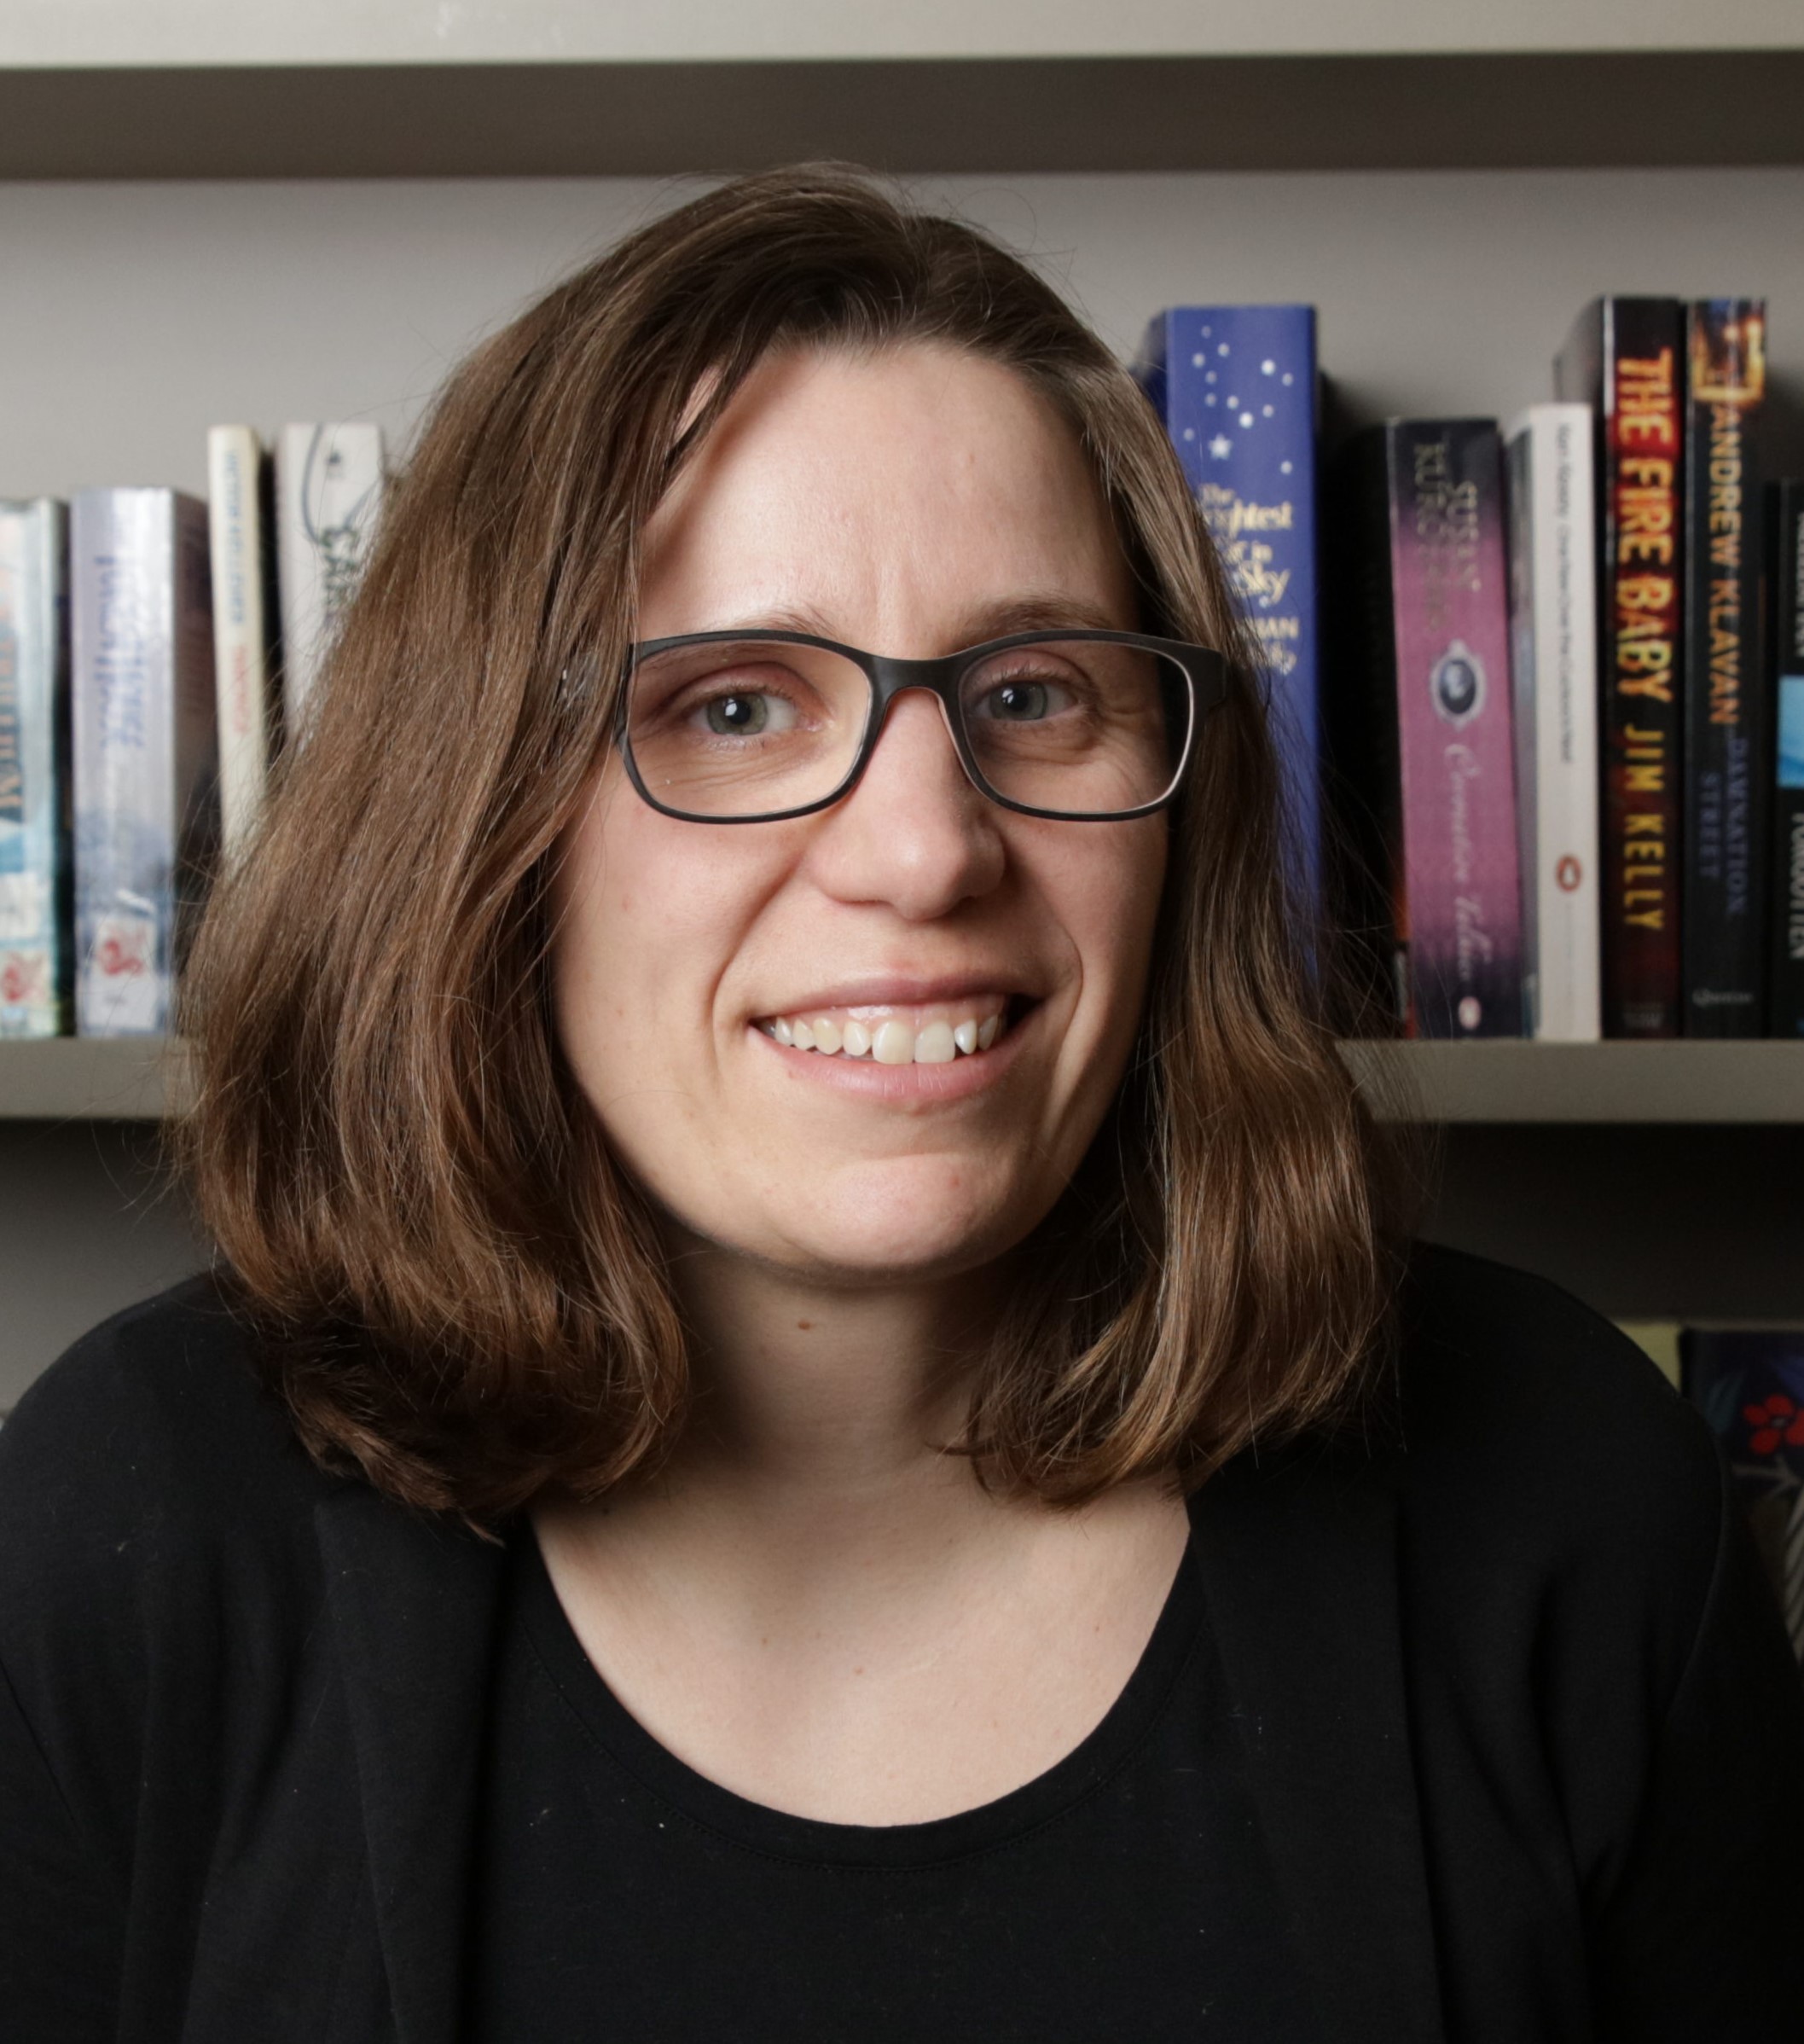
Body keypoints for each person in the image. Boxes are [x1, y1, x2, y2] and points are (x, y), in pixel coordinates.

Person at [2, 166, 1801, 2044]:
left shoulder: (1569, 1510)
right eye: (728, 707)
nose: (925, 849)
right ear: (476, 826)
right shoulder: (122, 1540)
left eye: (1030, 691)